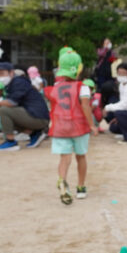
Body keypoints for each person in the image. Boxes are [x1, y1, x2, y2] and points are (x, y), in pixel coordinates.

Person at [45, 50, 98, 204]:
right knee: (80, 156)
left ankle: (62, 180)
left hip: (60, 126)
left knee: (64, 157)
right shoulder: (83, 87)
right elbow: (85, 106)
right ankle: (80, 187)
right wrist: (92, 125)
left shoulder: (56, 86)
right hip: (78, 126)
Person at [0, 62, 50, 151]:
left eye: (2, 73)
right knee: (5, 113)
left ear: (11, 73)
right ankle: (35, 133)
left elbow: (12, 103)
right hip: (37, 117)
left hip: (38, 117)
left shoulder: (18, 82)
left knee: (4, 110)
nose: (0, 76)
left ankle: (10, 142)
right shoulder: (13, 84)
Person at [95, 37, 118, 105]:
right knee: (101, 87)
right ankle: (101, 102)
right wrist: (105, 48)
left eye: (109, 42)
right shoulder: (100, 50)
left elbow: (114, 61)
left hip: (110, 72)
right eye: (106, 43)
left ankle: (110, 102)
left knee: (110, 87)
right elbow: (100, 54)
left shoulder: (112, 52)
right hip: (102, 71)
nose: (108, 44)